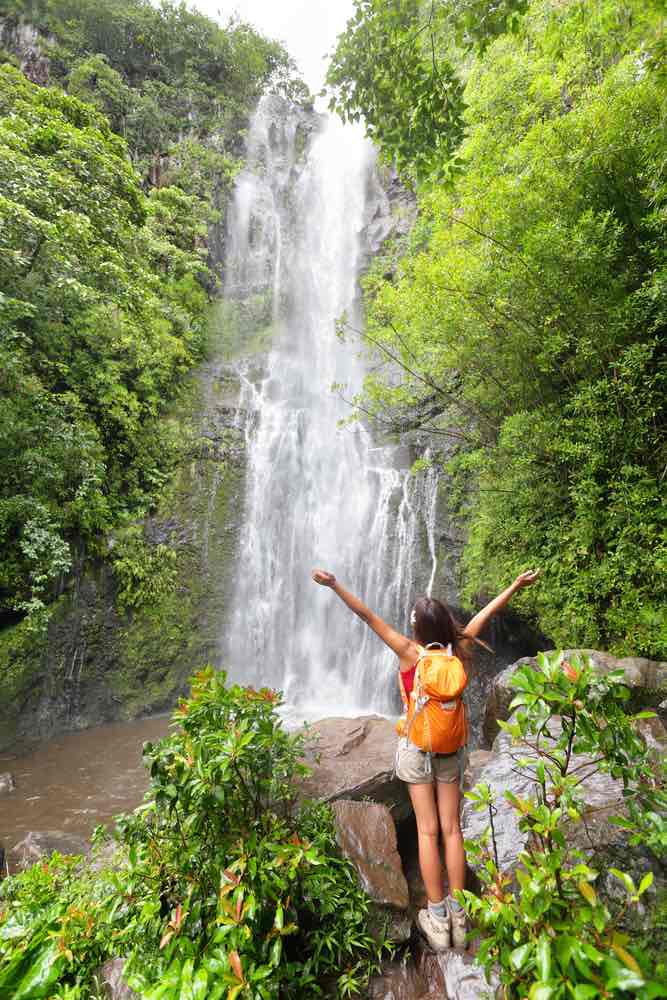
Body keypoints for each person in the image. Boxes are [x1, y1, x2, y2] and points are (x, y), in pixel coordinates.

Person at [311, 567, 540, 951]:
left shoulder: (408, 652)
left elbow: (366, 615)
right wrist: (514, 584)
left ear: (418, 630)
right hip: (450, 751)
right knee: (452, 829)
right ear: (447, 626)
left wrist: (335, 585)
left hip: (418, 750)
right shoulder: (461, 651)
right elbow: (486, 616)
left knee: (427, 830)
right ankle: (460, 914)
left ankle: (436, 918)